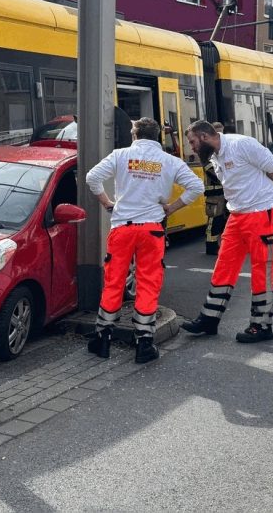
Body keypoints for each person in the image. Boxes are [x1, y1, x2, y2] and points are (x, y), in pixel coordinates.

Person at [86, 117, 204, 364]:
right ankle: (144, 344)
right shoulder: (170, 161)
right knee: (148, 282)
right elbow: (196, 187)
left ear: (134, 135)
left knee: (114, 281)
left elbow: (92, 177)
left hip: (122, 228)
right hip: (152, 230)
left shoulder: (120, 155)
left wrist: (107, 203)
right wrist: (171, 208)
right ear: (157, 136)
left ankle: (102, 339)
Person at [180, 120, 273, 344]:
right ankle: (209, 319)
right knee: (224, 264)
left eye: (193, 142)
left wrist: (260, 192)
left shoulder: (242, 144)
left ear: (204, 137)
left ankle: (261, 325)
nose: (192, 148)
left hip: (261, 211)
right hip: (237, 214)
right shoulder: (214, 156)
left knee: (262, 268)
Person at [201, 121, 229, 256]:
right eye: (218, 132)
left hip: (225, 192)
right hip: (214, 194)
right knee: (214, 220)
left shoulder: (224, 149)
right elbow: (209, 169)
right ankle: (211, 246)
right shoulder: (207, 151)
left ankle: (224, 244)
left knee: (226, 220)